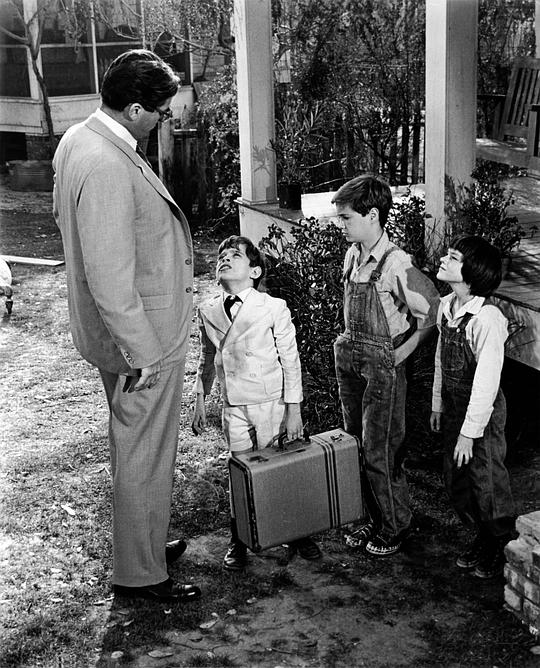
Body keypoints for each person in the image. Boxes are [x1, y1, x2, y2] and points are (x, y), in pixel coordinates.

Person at [52, 49, 200, 603]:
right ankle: (141, 572)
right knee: (144, 450)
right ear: (135, 109)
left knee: (135, 445)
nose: (164, 120)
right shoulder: (108, 163)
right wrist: (144, 352)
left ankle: (145, 541)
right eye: (160, 112)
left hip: (115, 330)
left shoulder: (78, 139)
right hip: (141, 337)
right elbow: (110, 277)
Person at [191, 235, 322, 570]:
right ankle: (240, 538)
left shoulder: (273, 307)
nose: (224, 258)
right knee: (239, 470)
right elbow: (207, 357)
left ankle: (296, 531)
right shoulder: (208, 310)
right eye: (221, 255)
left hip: (271, 402)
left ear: (255, 271)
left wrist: (293, 409)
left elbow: (290, 360)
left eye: (235, 255)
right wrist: (200, 396)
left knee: (279, 468)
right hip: (233, 405)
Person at [332, 175, 439, 556]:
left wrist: (402, 353)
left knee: (382, 447)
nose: (341, 224)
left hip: (383, 366)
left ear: (373, 215)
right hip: (352, 362)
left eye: (346, 217)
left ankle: (395, 524)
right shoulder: (353, 255)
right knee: (355, 442)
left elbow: (432, 313)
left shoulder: (396, 263)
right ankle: (369, 517)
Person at [430, 235, 515, 579]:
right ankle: (483, 535)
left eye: (452, 257)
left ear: (472, 272)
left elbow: (486, 383)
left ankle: (501, 542)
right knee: (457, 479)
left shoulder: (486, 319)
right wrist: (437, 404)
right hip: (455, 408)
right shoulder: (446, 307)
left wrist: (470, 433)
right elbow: (440, 359)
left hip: (482, 414)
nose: (443, 259)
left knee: (486, 479)